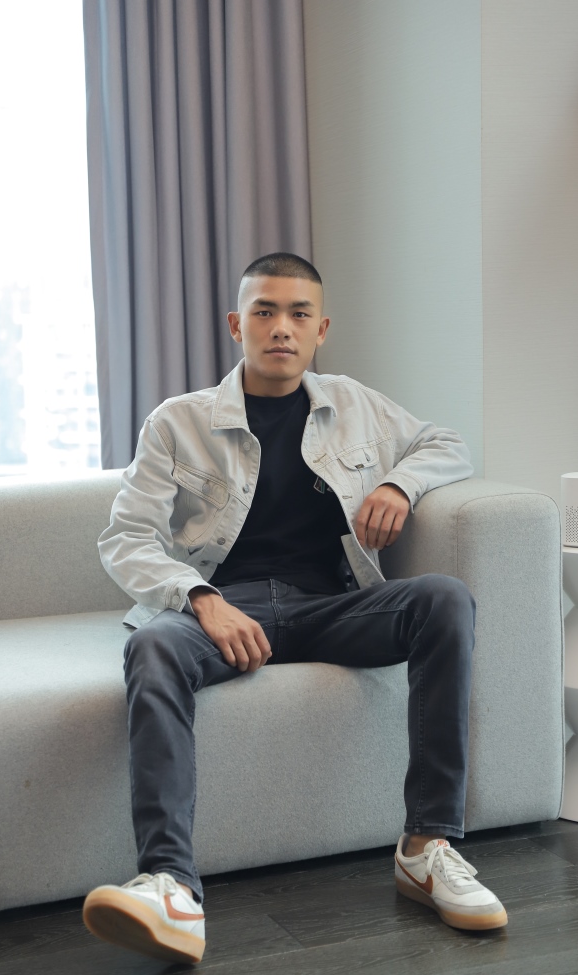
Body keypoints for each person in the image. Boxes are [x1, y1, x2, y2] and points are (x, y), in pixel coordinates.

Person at [82, 252, 508, 965]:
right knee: (152, 645)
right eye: (265, 311)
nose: (282, 327)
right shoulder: (177, 422)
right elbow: (125, 537)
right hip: (227, 614)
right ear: (236, 324)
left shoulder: (354, 403)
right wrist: (201, 597)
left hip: (332, 608)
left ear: (321, 329)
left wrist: (398, 485)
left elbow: (447, 443)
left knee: (443, 598)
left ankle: (426, 846)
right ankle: (171, 886)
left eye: (298, 313)